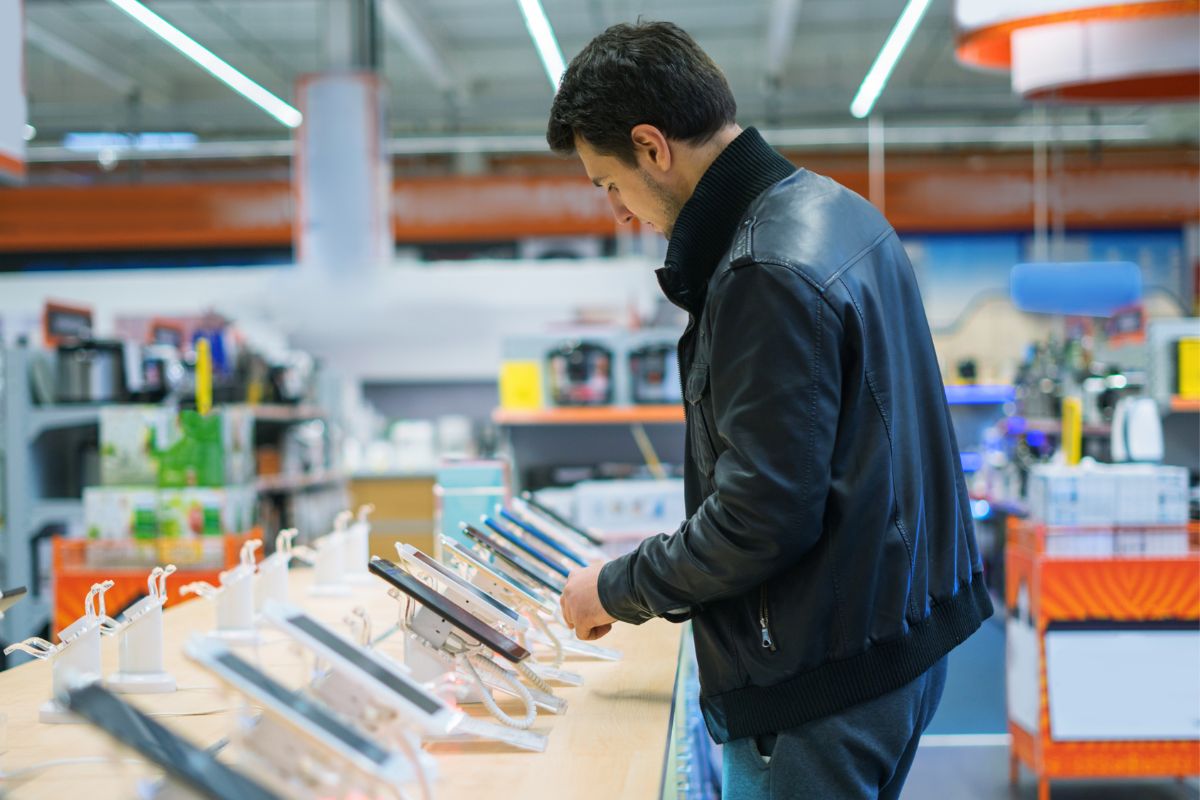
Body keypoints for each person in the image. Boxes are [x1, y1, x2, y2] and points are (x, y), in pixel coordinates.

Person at [549, 21, 993, 800]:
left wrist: (616, 588)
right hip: (895, 639)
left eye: (609, 183)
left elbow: (761, 518)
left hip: (819, 682)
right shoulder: (838, 212)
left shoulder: (763, 271)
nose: (618, 211)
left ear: (652, 147)